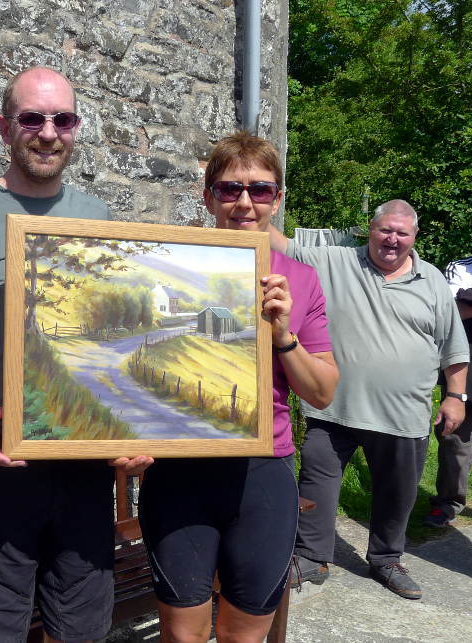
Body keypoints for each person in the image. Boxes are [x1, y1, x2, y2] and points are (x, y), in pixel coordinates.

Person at [0, 66, 152, 642]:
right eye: (32, 118)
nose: (48, 133)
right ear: (5, 127)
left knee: (83, 628)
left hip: (82, 456)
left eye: (62, 120)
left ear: (75, 128)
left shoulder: (99, 220)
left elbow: (115, 338)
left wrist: (131, 430)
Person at [137, 132, 339, 643]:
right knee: (182, 635)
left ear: (278, 199)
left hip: (262, 472)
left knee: (243, 637)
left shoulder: (301, 280)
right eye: (230, 189)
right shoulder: (171, 264)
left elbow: (322, 393)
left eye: (261, 189)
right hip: (180, 469)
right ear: (208, 198)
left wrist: (283, 336)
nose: (245, 202)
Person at [268, 200, 469, 600]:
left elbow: (454, 347)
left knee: (398, 493)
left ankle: (386, 559)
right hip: (333, 409)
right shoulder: (336, 261)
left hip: (402, 414)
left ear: (414, 237)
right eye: (384, 230)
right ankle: (311, 556)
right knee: (316, 485)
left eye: (402, 233)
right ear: (370, 230)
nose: (392, 239)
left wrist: (455, 396)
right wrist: (255, 201)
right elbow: (280, 243)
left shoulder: (432, 281)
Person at [424, 207, 472, 527]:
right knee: (456, 433)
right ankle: (449, 501)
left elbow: (469, 304)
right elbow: (453, 310)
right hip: (466, 358)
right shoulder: (458, 267)